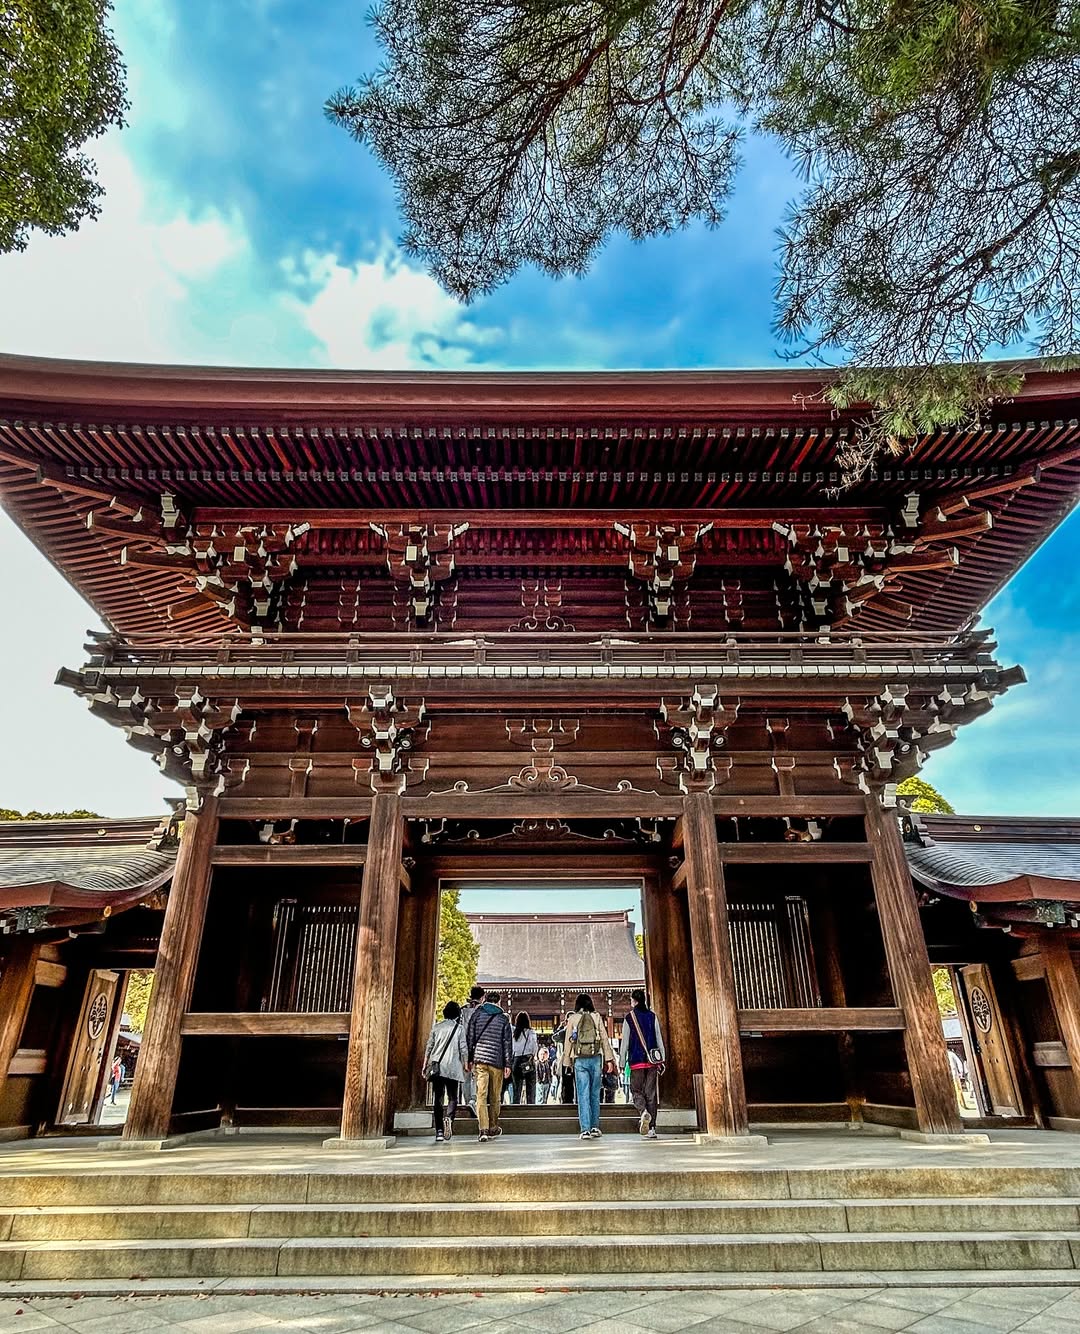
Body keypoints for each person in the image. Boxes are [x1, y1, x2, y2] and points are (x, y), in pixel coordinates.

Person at [562, 993, 616, 1139]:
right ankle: (594, 1127)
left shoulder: (573, 1018)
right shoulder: (596, 1017)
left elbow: (568, 1041)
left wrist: (567, 1062)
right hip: (595, 1058)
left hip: (579, 1059)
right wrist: (609, 1060)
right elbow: (604, 1039)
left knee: (582, 1094)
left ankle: (584, 1129)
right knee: (594, 1093)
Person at [465, 990, 513, 1143]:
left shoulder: (477, 1015)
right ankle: (492, 1126)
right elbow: (507, 1043)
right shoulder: (503, 1019)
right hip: (497, 1061)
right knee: (495, 1095)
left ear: (485, 1000)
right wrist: (508, 1064)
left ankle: (483, 1129)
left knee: (481, 1094)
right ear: (498, 1002)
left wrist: (469, 1059)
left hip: (480, 1060)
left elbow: (470, 1037)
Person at [619, 987, 666, 1139]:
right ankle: (652, 1128)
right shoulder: (653, 1017)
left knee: (636, 1091)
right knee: (651, 1094)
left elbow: (625, 1042)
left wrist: (621, 1062)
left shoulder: (629, 1018)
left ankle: (643, 1112)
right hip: (652, 1061)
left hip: (636, 1061)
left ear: (635, 1001)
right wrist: (662, 1059)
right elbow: (659, 1038)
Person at [421, 1000, 468, 1143]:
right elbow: (463, 1048)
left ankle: (439, 1131)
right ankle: (449, 1118)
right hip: (453, 1066)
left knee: (438, 1098)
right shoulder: (459, 1029)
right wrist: (466, 1064)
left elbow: (429, 1047)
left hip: (437, 1067)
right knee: (453, 1097)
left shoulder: (437, 1027)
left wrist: (425, 1065)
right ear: (458, 1014)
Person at [459, 984, 485, 1118]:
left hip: (463, 1047)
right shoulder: (483, 1011)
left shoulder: (462, 1010)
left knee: (466, 1076)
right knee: (477, 1074)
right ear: (482, 997)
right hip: (478, 1046)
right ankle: (473, 1100)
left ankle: (467, 1100)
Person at [511, 1012, 539, 1105]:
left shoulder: (514, 1033)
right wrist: (533, 1055)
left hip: (516, 1060)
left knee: (516, 1088)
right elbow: (534, 1047)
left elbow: (512, 1047)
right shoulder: (531, 1032)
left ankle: (515, 1109)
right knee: (531, 1088)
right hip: (528, 1059)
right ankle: (531, 1109)